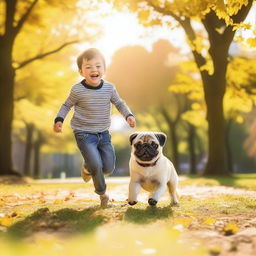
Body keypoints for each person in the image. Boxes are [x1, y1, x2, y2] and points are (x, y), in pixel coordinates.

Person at [53, 48, 136, 208]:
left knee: (108, 167)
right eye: (89, 67)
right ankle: (103, 195)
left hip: (104, 134)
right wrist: (59, 119)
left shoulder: (109, 88)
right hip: (83, 134)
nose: (94, 70)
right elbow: (66, 105)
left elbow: (119, 103)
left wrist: (128, 115)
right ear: (81, 71)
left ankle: (86, 167)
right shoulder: (77, 90)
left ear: (104, 69)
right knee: (97, 165)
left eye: (98, 66)